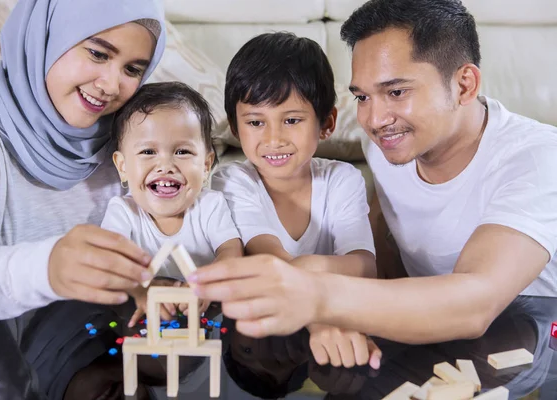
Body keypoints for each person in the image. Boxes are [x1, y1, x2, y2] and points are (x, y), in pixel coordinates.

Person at [189, 0, 557, 347]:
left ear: (464, 85)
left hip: (534, 339)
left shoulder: (538, 156)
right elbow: (382, 237)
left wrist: (316, 297)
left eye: (396, 91)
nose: (374, 120)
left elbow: (476, 303)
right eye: (362, 97)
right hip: (423, 334)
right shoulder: (386, 147)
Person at [0, 0, 165, 397]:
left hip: (90, 344)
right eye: (98, 53)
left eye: (132, 69)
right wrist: (49, 266)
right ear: (46, 37)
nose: (110, 84)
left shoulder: (127, 141)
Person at [211, 32, 380, 369]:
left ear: (326, 123)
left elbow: (366, 267)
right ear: (235, 127)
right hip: (268, 324)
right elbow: (268, 255)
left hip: (336, 318)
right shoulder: (231, 180)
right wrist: (320, 292)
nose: (274, 139)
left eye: (291, 120)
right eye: (256, 122)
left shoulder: (342, 179)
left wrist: (301, 271)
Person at [101, 81, 243, 326]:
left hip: (204, 313)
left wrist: (206, 285)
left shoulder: (210, 205)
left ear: (207, 165)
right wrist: (141, 288)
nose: (165, 165)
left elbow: (231, 253)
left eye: (182, 152)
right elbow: (107, 264)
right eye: (148, 152)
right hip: (139, 314)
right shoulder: (123, 211)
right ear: (123, 167)